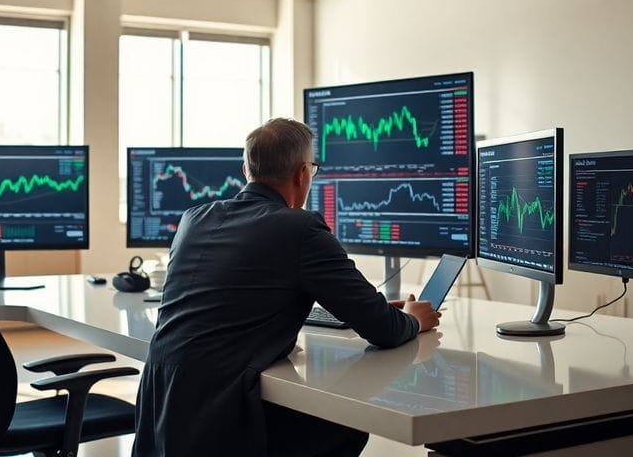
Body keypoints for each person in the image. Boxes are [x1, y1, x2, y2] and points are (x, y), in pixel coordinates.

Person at [132, 118, 442, 457]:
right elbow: (383, 329)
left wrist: (369, 308)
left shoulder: (193, 218)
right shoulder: (301, 229)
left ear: (245, 170)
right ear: (302, 174)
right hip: (220, 418)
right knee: (345, 426)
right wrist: (413, 319)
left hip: (160, 409)